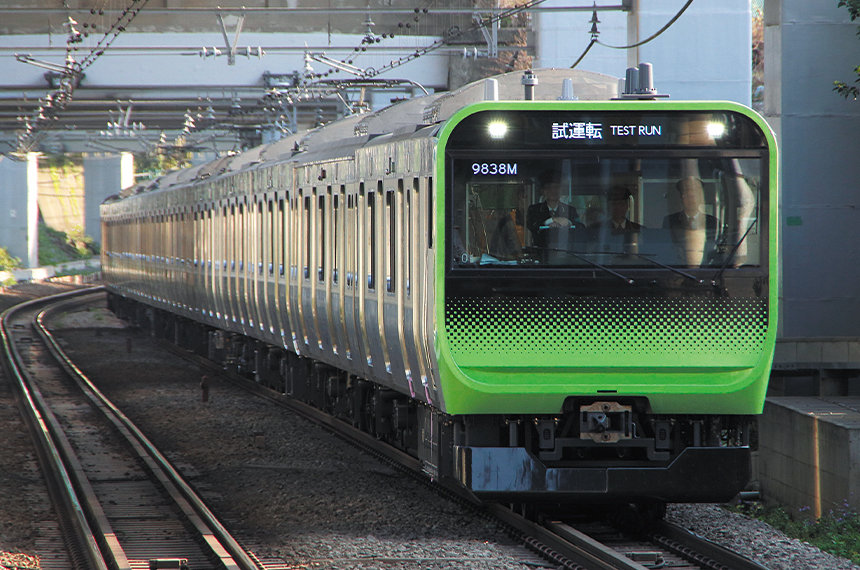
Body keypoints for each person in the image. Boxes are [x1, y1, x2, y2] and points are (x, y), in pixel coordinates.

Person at [662, 176, 719, 266]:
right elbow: (667, 249)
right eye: (686, 195)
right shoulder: (670, 221)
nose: (691, 199)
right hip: (677, 268)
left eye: (694, 195)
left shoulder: (713, 222)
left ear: (701, 197)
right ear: (681, 198)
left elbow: (713, 249)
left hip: (706, 269)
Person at [526, 171, 578, 250]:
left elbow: (580, 227)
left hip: (566, 253)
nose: (553, 191)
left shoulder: (571, 210)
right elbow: (532, 225)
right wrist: (551, 220)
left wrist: (568, 222)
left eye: (556, 187)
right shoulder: (534, 209)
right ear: (543, 191)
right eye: (549, 188)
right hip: (542, 253)